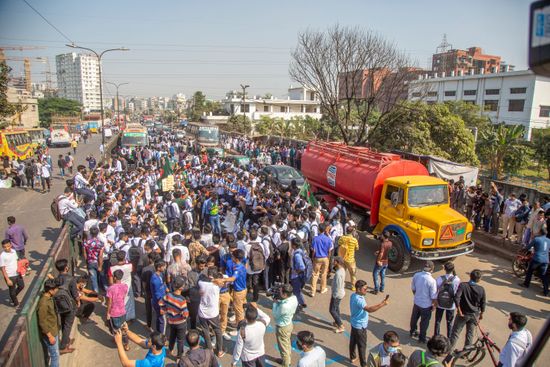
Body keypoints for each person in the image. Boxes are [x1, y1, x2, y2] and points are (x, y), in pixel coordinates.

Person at [350, 280, 390, 367]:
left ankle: (352, 357)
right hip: (360, 326)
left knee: (353, 341)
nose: (366, 290)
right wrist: (382, 304)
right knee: (362, 346)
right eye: (364, 289)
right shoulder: (359, 300)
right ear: (358, 289)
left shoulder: (354, 295)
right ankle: (364, 364)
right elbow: (369, 309)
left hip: (354, 323)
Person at [449, 269, 486, 351]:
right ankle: (465, 353)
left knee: (455, 333)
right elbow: (483, 303)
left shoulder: (463, 285)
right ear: (479, 279)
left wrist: (459, 309)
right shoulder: (481, 289)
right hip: (474, 315)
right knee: (470, 334)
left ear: (470, 276)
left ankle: (449, 351)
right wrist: (481, 315)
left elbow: (457, 297)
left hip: (463, 314)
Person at [231, 303, 271, 367]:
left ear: (245, 317)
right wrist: (255, 309)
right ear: (256, 316)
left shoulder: (242, 331)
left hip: (248, 358)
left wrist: (234, 361)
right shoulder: (262, 324)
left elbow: (238, 347)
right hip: (260, 353)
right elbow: (267, 317)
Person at [159, 276, 189, 359]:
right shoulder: (182, 300)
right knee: (180, 340)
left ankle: (170, 350)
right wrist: (184, 314)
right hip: (180, 323)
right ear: (181, 287)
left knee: (172, 336)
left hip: (171, 321)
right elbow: (186, 314)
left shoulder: (168, 295)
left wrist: (165, 309)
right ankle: (179, 356)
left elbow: (161, 303)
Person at [410, 260, 437, 344]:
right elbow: (433, 296)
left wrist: (417, 296)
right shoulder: (432, 281)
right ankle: (422, 338)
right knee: (424, 322)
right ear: (432, 269)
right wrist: (434, 305)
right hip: (426, 305)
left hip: (417, 302)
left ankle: (412, 331)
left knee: (414, 318)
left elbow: (413, 289)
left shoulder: (416, 275)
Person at [54, 259, 78, 353]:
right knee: (68, 325)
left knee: (64, 323)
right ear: (66, 268)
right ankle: (63, 346)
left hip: (60, 305)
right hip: (69, 305)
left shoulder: (56, 279)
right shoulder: (71, 279)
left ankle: (66, 340)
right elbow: (75, 294)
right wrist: (78, 302)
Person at [38, 279, 63, 366]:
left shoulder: (49, 298)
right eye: (55, 289)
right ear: (50, 290)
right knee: (55, 355)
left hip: (54, 330)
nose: (57, 290)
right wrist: (50, 336)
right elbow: (42, 321)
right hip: (50, 333)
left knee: (56, 354)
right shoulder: (44, 303)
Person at [272, 284, 298, 367]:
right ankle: (285, 360)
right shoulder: (294, 298)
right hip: (289, 324)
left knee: (283, 348)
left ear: (285, 294)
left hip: (282, 327)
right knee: (287, 345)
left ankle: (286, 364)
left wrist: (275, 303)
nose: (279, 293)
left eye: (280, 292)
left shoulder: (284, 306)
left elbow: (275, 314)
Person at [434, 261, 461, 338]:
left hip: (440, 303)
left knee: (438, 321)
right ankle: (449, 338)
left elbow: (436, 290)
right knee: (449, 322)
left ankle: (436, 336)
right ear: (453, 269)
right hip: (451, 304)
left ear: (444, 269)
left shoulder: (439, 278)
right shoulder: (457, 279)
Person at [519, 228, 549, 296]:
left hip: (537, 259)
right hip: (545, 260)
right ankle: (546, 291)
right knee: (543, 276)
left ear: (540, 232)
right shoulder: (549, 240)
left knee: (529, 271)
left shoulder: (536, 239)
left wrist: (523, 250)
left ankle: (526, 284)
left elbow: (528, 247)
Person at [107, 269, 129, 351]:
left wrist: (108, 313)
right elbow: (123, 297)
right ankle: (126, 345)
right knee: (124, 329)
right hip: (122, 310)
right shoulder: (125, 286)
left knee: (116, 329)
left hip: (114, 312)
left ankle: (119, 343)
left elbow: (109, 302)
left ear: (115, 278)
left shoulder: (110, 289)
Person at [310, 222, 332, 297]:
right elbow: (330, 251)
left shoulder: (315, 239)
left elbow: (313, 250)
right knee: (324, 274)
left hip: (317, 258)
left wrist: (313, 258)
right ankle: (322, 289)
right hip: (325, 258)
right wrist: (328, 259)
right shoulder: (328, 239)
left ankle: (313, 291)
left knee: (315, 274)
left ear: (319, 230)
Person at [1, 239, 24, 307]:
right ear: (3, 247)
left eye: (8, 246)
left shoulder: (14, 251)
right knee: (12, 290)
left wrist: (20, 269)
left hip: (17, 273)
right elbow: (3, 269)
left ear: (11, 245)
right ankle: (16, 303)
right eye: (4, 247)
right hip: (10, 276)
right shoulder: (2, 256)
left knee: (21, 286)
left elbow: (17, 261)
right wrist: (7, 279)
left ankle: (13, 297)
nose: (7, 248)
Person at [338, 225, 359, 290]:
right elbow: (357, 248)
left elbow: (339, 243)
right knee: (352, 273)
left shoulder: (342, 237)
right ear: (352, 232)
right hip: (350, 259)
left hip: (342, 258)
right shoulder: (354, 240)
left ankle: (340, 284)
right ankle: (353, 286)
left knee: (342, 271)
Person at [150, 260, 168, 334]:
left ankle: (157, 333)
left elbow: (163, 284)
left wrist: (166, 288)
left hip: (159, 300)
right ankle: (162, 337)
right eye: (163, 266)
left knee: (159, 318)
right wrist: (162, 306)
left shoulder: (160, 275)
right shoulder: (155, 280)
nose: (165, 267)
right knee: (163, 321)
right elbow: (158, 294)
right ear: (158, 268)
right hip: (159, 302)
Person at [329, 256, 345, 333]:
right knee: (336, 308)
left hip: (337, 294)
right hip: (340, 293)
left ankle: (341, 325)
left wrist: (334, 295)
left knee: (332, 310)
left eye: (334, 261)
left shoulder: (338, 273)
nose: (333, 262)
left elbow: (338, 286)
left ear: (337, 263)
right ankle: (337, 321)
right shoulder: (342, 270)